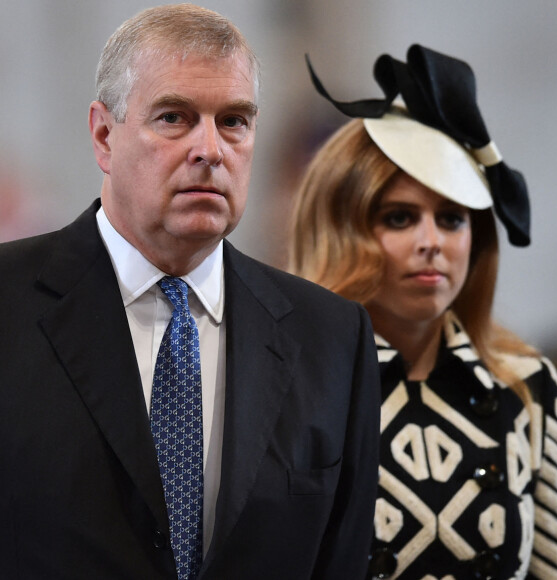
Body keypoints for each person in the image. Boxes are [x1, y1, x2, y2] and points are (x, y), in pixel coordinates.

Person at [0, 5, 381, 579]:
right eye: (175, 117)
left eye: (234, 121)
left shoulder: (333, 338)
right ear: (104, 136)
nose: (211, 149)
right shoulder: (9, 302)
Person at [289, 44, 557, 579]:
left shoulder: (527, 390)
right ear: (341, 229)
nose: (432, 242)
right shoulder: (293, 391)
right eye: (399, 218)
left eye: (452, 219)